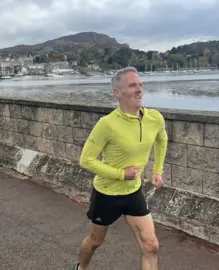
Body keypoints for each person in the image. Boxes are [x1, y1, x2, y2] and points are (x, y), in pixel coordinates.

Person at [73, 66, 168, 270]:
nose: (139, 89)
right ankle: (80, 267)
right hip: (107, 194)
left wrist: (157, 170)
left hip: (133, 192)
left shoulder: (154, 118)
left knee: (151, 246)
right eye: (132, 85)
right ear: (117, 93)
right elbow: (86, 159)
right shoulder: (106, 124)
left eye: (140, 85)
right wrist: (120, 174)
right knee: (95, 241)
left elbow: (162, 138)